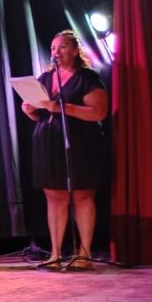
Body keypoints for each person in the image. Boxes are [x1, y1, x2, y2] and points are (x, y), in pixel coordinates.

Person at [21, 30, 108, 271]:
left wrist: (62, 107)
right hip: (48, 142)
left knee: (82, 195)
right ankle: (56, 253)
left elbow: (99, 112)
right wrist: (30, 110)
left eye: (62, 47)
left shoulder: (87, 77)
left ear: (75, 50)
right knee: (54, 196)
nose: (56, 52)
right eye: (53, 48)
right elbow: (41, 113)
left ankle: (85, 253)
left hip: (80, 142)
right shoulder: (46, 78)